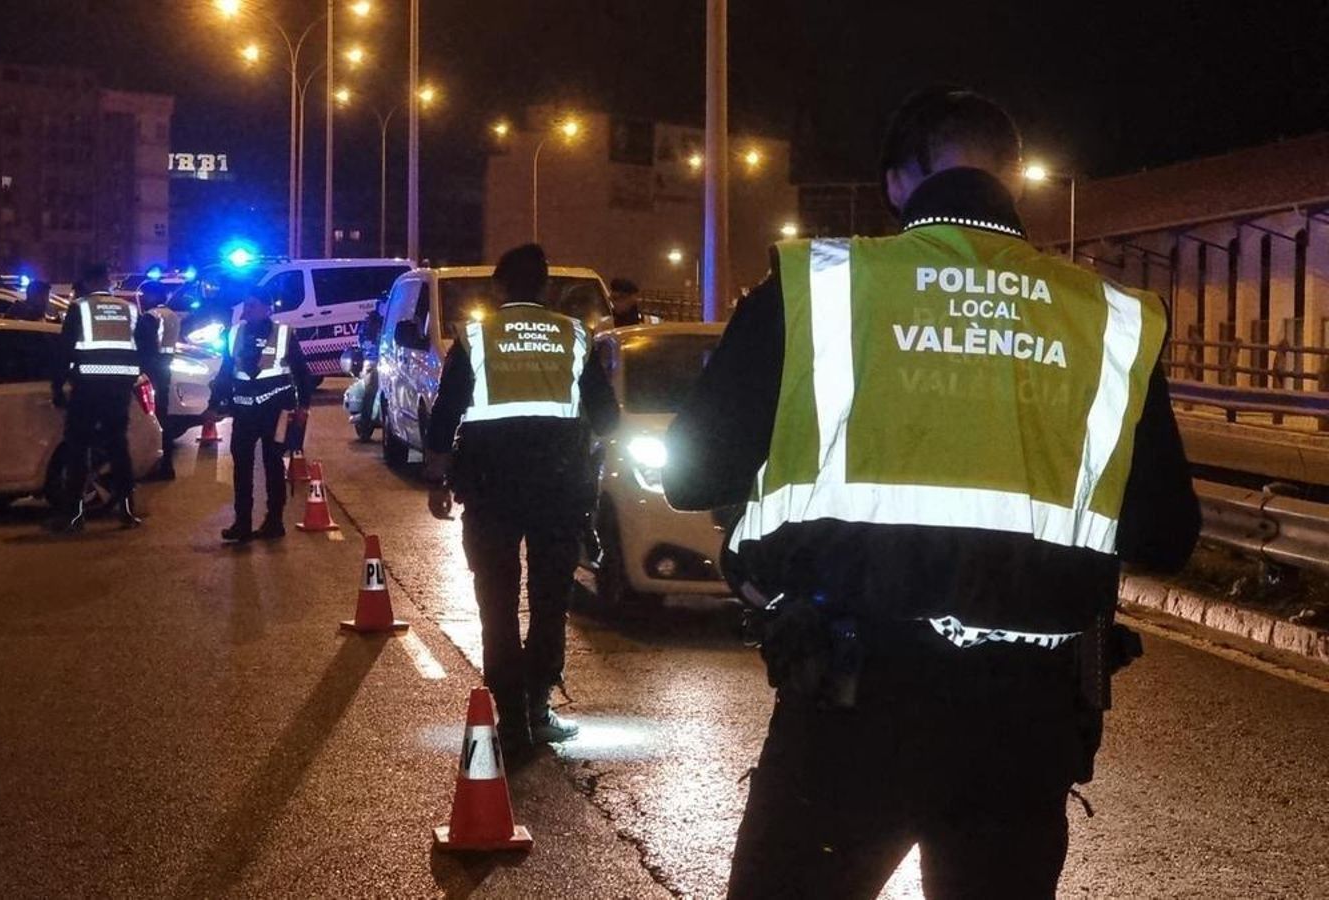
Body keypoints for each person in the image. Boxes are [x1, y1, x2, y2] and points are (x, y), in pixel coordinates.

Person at [662, 88, 1201, 898]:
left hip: (849, 708)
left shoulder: (819, 286)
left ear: (896, 181)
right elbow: (1166, 534)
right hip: (1026, 724)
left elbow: (691, 475)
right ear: (1014, 177)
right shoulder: (1110, 317)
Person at [423, 244, 620, 757]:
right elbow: (608, 419)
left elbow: (445, 413)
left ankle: (510, 716)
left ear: (500, 287)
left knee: (497, 602)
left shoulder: (476, 337)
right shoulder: (574, 336)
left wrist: (438, 479)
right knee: (550, 601)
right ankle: (537, 707)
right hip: (559, 490)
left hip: (490, 489)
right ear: (546, 286)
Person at [210, 283, 313, 542]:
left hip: (275, 411)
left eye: (253, 305)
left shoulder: (283, 334)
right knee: (242, 468)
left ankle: (274, 522)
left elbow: (302, 373)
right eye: (246, 305)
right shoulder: (234, 334)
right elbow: (225, 372)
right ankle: (242, 524)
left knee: (273, 465)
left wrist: (304, 407)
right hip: (244, 411)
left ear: (267, 309)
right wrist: (213, 405)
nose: (247, 310)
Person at [49, 263, 145, 533]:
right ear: (108, 281)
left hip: (87, 388)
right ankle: (127, 511)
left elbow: (64, 350)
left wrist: (57, 387)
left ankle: (74, 515)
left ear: (89, 282)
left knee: (78, 449)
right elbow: (143, 348)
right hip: (119, 389)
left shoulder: (80, 308)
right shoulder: (129, 309)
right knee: (118, 448)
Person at [135, 280, 181, 481]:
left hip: (150, 371)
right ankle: (166, 464)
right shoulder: (172, 315)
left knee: (152, 419)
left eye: (143, 296)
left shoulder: (150, 317)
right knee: (163, 416)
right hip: (164, 368)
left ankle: (158, 465)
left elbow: (143, 347)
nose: (141, 300)